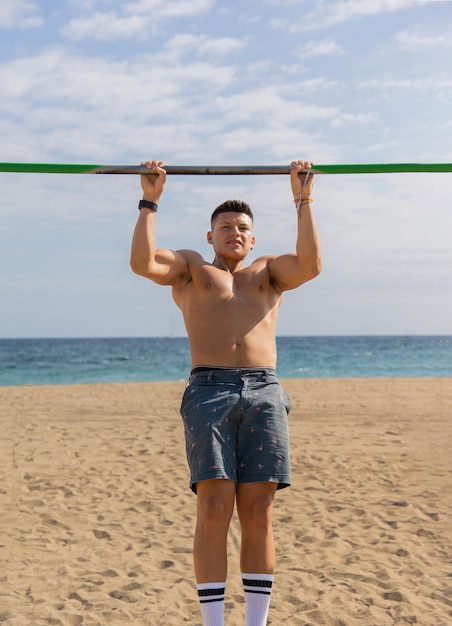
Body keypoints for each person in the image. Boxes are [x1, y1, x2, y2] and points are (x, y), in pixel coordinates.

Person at [130, 158, 321, 626]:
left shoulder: (269, 271)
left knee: (259, 512)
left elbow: (312, 265)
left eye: (242, 227)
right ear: (209, 236)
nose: (234, 232)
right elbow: (142, 262)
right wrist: (150, 201)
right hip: (209, 389)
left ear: (252, 238)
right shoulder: (192, 269)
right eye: (225, 227)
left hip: (263, 391)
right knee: (214, 508)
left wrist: (303, 198)